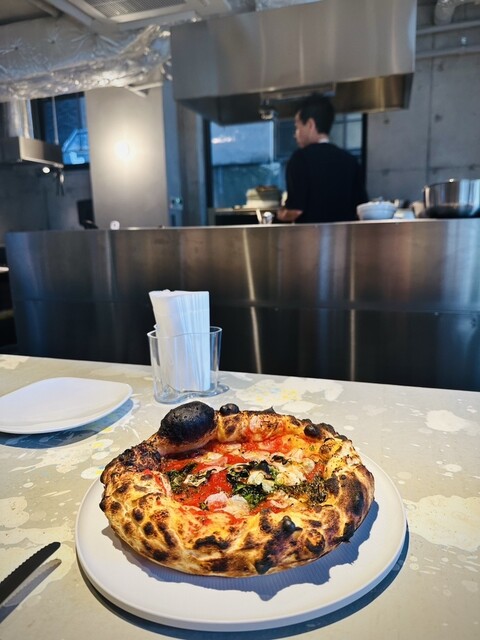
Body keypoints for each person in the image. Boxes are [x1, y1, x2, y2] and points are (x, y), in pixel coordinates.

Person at [276, 95, 368, 224]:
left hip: (309, 236)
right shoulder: (350, 161)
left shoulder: (300, 159)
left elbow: (296, 211)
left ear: (310, 124)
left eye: (297, 127)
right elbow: (362, 208)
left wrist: (281, 214)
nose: (295, 134)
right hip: (344, 236)